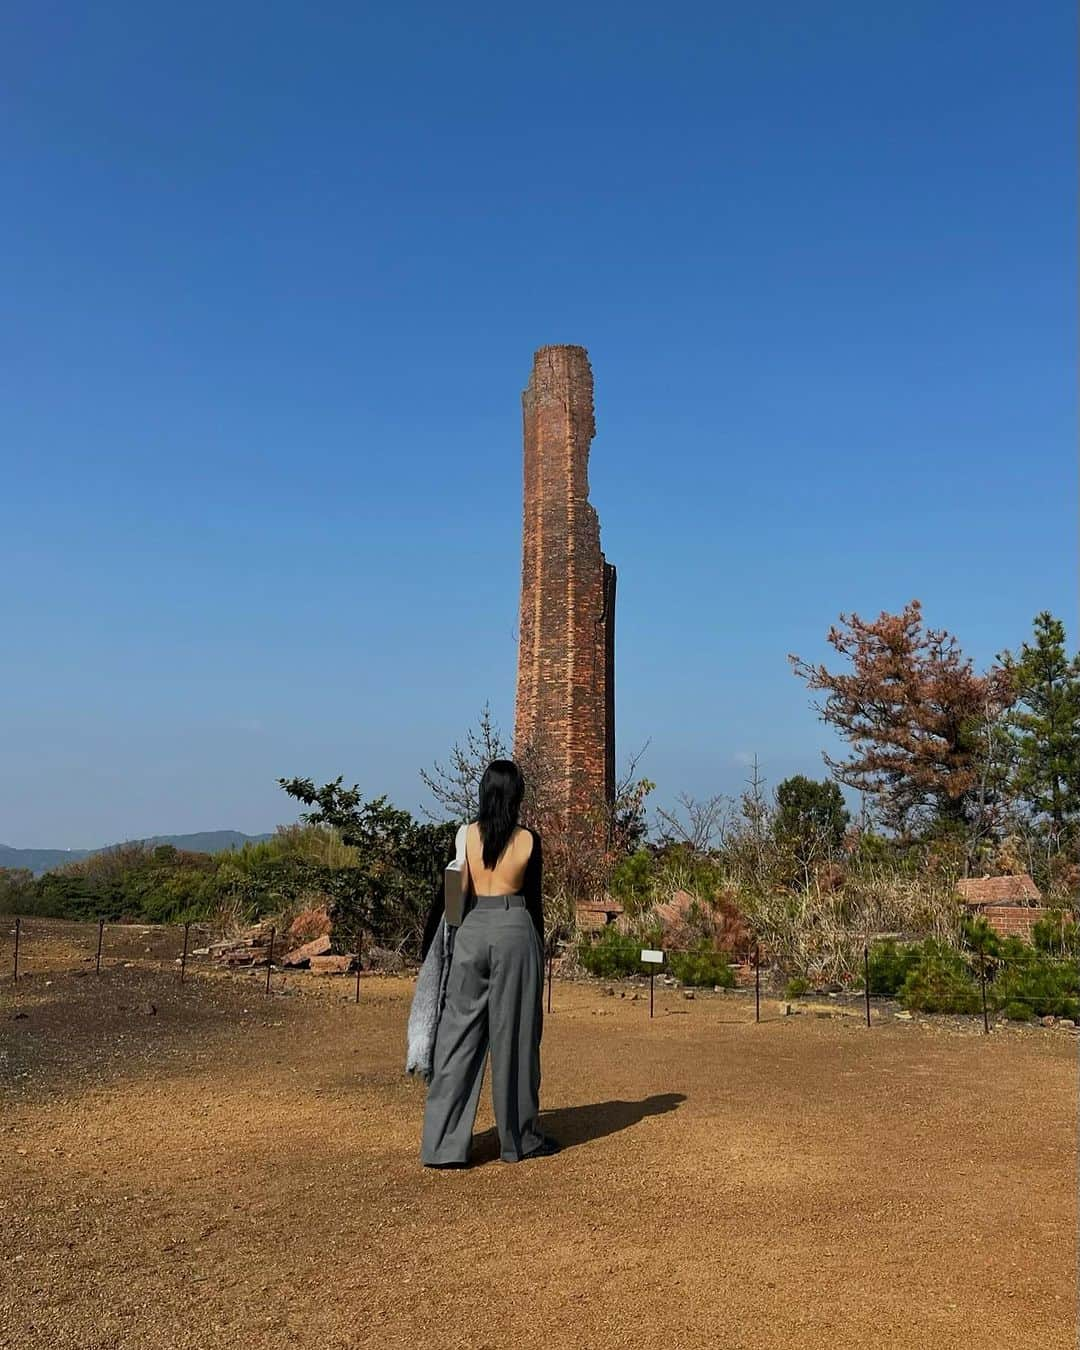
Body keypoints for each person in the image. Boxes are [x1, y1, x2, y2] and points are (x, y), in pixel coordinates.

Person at [419, 759, 560, 1167]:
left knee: (456, 1038)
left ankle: (443, 1146)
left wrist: (434, 948)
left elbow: (449, 897)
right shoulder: (529, 841)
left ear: (483, 792)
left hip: (470, 929)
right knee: (516, 1039)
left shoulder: (463, 836)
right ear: (517, 795)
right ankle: (519, 1140)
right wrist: (539, 951)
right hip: (516, 929)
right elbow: (534, 905)